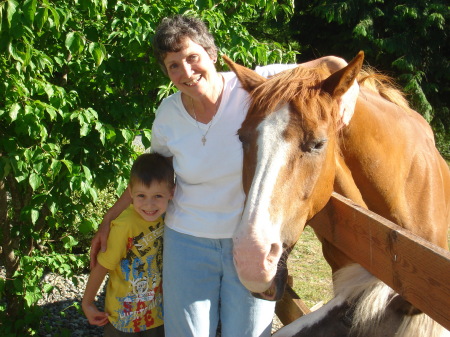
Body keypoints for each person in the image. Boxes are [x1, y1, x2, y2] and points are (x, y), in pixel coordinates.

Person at [90, 15, 359, 337]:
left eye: (193, 58)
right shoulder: (168, 114)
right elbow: (151, 177)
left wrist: (350, 93)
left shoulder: (254, 87)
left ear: (212, 55)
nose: (186, 72)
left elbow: (330, 63)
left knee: (246, 332)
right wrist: (110, 217)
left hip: (248, 243)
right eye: (173, 65)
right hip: (186, 241)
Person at [83, 153, 174, 337]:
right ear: (130, 192)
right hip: (123, 320)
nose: (149, 205)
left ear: (171, 193)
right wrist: (87, 302)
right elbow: (102, 266)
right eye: (141, 195)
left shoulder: (170, 217)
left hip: (157, 316)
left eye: (157, 196)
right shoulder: (124, 225)